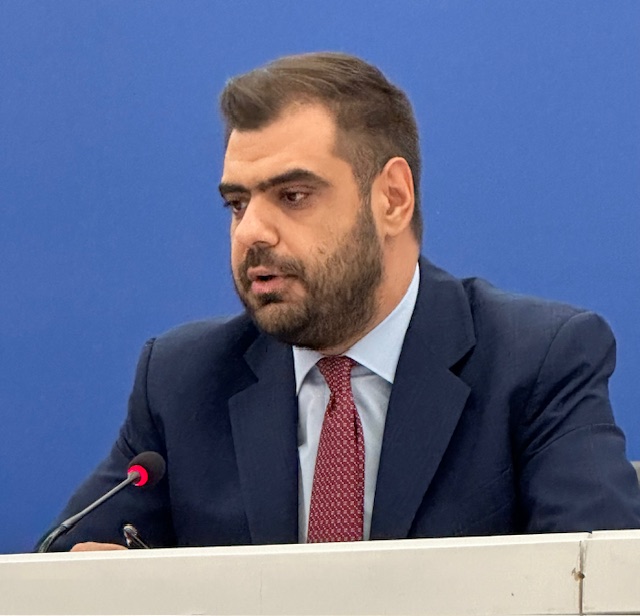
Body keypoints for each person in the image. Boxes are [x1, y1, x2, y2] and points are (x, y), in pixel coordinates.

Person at [41, 52, 640, 552]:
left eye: (293, 195)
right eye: (237, 204)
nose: (251, 232)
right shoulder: (182, 381)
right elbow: (66, 567)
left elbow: (601, 580)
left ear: (393, 198)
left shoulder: (535, 361)